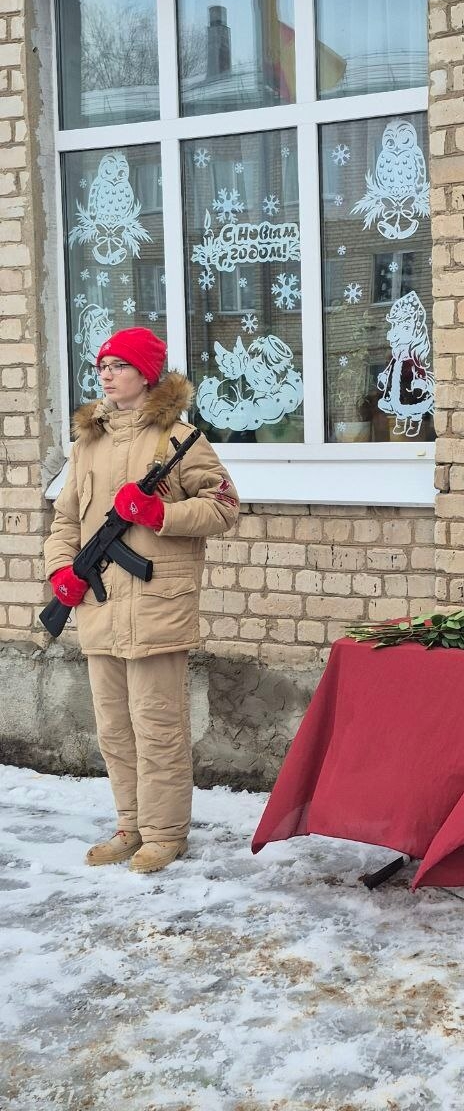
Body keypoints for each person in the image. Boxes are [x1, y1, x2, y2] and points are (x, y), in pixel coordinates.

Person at [44, 328, 240, 874]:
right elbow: (64, 521)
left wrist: (161, 515)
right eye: (101, 364)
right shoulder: (88, 445)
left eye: (118, 365)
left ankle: (165, 834)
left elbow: (224, 508)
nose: (105, 374)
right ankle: (129, 825)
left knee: (158, 726)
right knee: (114, 727)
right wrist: (61, 571)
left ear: (146, 375)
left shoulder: (178, 441)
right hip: (100, 606)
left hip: (157, 604)